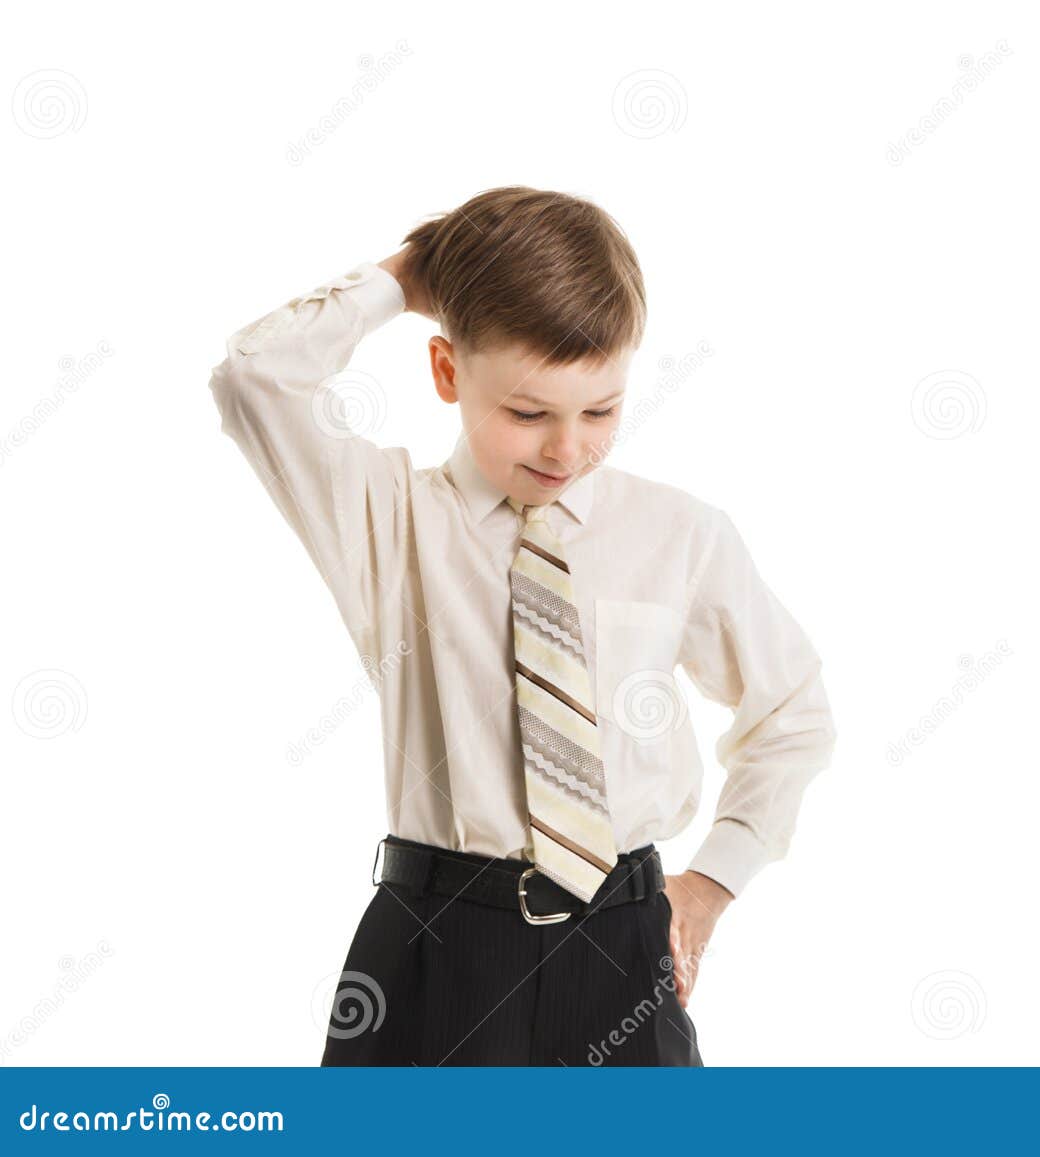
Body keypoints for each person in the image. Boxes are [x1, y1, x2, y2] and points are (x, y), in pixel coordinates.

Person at [206, 185, 837, 1065]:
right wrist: (406, 275)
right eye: (528, 413)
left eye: (601, 411)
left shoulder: (681, 534)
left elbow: (792, 711)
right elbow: (253, 380)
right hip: (434, 949)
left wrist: (711, 884)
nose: (565, 449)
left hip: (627, 945)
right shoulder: (388, 519)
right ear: (447, 372)